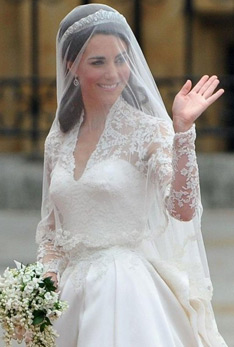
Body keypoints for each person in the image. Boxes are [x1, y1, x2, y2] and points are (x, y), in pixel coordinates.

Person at [36, 3, 227, 346]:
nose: (114, 73)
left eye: (121, 59)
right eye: (98, 62)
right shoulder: (57, 140)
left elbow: (182, 209)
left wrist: (181, 132)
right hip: (70, 297)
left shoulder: (149, 131)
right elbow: (52, 231)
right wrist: (45, 281)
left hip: (127, 291)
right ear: (72, 65)